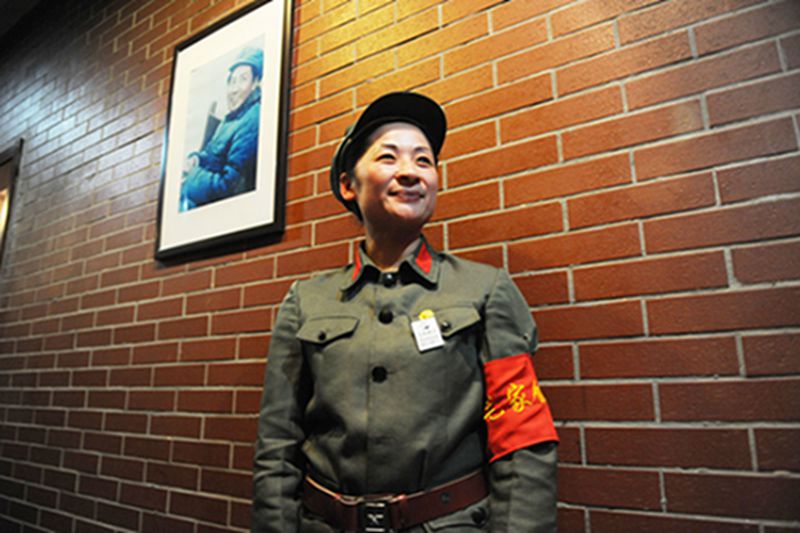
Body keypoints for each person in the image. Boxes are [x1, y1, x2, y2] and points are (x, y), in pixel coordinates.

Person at [253, 92, 559, 532]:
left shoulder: (486, 290)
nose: (410, 173)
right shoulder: (305, 301)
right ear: (347, 184)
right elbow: (276, 443)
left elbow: (522, 435)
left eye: (424, 161)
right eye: (389, 157)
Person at [180, 46, 263, 211]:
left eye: (243, 79)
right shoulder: (232, 117)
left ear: (255, 83)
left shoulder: (252, 121)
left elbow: (228, 186)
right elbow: (212, 154)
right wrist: (197, 159)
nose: (233, 89)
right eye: (232, 81)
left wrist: (191, 178)